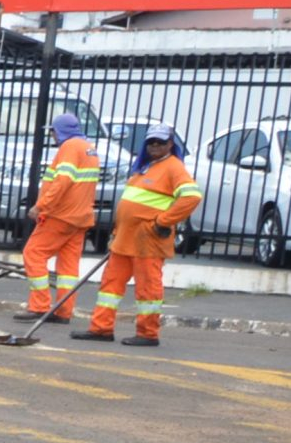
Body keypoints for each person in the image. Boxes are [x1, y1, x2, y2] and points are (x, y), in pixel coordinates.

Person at [76, 121, 200, 347]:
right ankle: (101, 328)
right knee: (110, 286)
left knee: (148, 288)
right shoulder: (145, 167)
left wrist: (164, 221)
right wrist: (116, 231)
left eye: (160, 142)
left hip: (148, 239)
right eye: (151, 142)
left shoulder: (173, 168)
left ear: (170, 144)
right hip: (125, 238)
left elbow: (192, 197)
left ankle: (148, 333)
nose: (155, 146)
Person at [19, 112, 99, 322]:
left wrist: (41, 206)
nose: (53, 136)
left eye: (53, 131)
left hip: (60, 215)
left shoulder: (70, 147)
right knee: (68, 268)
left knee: (33, 253)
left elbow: (62, 181)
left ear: (60, 131)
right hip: (80, 218)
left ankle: (39, 306)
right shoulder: (88, 148)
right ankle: (64, 311)